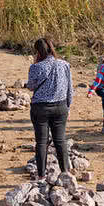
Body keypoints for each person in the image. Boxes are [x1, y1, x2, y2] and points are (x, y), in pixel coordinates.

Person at [26, 38, 73, 181]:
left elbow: (31, 86)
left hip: (40, 107)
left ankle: (41, 175)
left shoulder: (36, 67)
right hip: (61, 106)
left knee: (41, 142)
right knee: (60, 140)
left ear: (37, 51)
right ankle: (65, 173)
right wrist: (67, 106)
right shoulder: (64, 65)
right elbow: (70, 89)